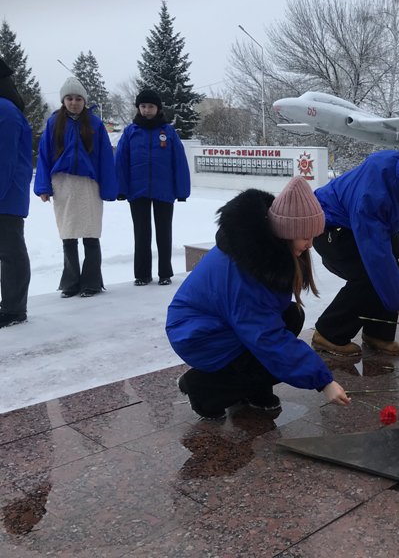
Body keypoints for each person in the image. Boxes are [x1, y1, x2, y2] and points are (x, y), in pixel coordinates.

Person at [166, 178, 351, 420]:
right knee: (274, 348)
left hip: (217, 325)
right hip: (199, 336)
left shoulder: (260, 250)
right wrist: (323, 381)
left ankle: (253, 391)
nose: (309, 245)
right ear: (286, 232)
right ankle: (202, 389)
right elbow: (266, 338)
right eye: (305, 236)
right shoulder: (248, 273)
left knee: (291, 316)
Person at [311, 142, 399, 357]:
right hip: (329, 228)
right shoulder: (373, 196)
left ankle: (378, 333)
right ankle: (329, 334)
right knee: (368, 274)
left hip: (357, 224)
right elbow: (376, 256)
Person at [33, 77, 117, 298]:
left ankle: (91, 282)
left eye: (78, 98)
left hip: (89, 184)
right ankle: (70, 282)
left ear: (84, 101)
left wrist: (109, 188)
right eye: (69, 98)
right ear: (63, 100)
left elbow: (105, 159)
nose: (74, 102)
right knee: (68, 234)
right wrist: (43, 186)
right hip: (63, 184)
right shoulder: (53, 123)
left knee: (90, 233)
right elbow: (43, 156)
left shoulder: (96, 124)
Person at [115, 89, 191, 286]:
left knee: (164, 233)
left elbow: (179, 162)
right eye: (143, 106)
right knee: (141, 234)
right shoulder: (130, 132)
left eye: (150, 106)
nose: (146, 110)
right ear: (138, 108)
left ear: (158, 109)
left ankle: (165, 273)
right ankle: (142, 275)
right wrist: (121, 189)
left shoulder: (168, 132)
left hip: (164, 191)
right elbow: (121, 162)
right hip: (137, 191)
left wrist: (181, 190)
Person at [0, 57, 32, 328]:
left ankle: (13, 309)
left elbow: (5, 159)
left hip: (6, 195)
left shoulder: (5, 110)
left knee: (11, 252)